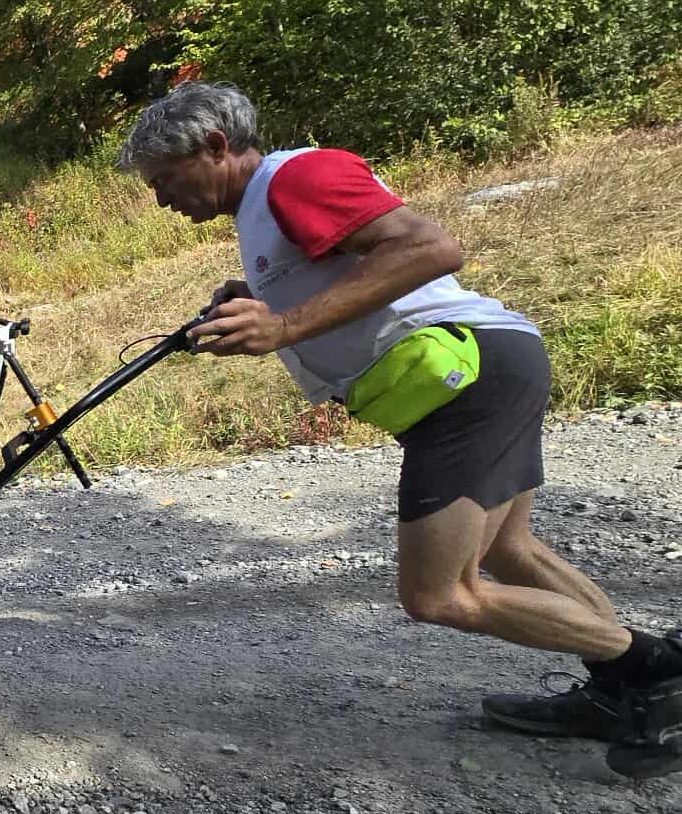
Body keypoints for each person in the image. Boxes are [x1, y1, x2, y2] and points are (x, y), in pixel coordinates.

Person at [118, 81, 682, 778]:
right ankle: (621, 689)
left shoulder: (294, 178)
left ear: (214, 146)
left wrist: (285, 323)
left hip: (469, 381)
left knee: (439, 594)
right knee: (510, 552)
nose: (163, 200)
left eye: (165, 180)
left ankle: (656, 671)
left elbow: (431, 247)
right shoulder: (262, 207)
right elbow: (348, 274)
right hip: (481, 373)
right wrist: (260, 298)